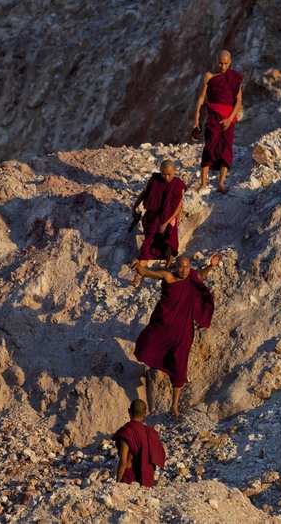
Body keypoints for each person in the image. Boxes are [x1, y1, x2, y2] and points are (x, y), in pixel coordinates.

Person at [134, 254, 220, 416]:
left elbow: (201, 275)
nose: (184, 270)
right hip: (163, 327)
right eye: (181, 266)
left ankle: (174, 406)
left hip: (183, 332)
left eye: (187, 266)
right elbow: (146, 272)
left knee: (180, 368)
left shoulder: (192, 277)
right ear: (175, 266)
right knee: (144, 348)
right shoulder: (168, 276)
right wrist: (137, 266)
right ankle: (157, 367)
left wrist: (211, 266)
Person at [193, 50, 243, 194]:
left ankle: (221, 182)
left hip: (229, 118)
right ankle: (203, 183)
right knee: (209, 147)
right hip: (213, 117)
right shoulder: (209, 76)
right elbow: (202, 98)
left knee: (226, 149)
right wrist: (196, 117)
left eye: (226, 63)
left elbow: (238, 101)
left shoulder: (235, 78)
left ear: (230, 62)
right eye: (220, 63)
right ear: (217, 61)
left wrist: (230, 118)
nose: (223, 66)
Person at [131, 159, 186, 287]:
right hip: (152, 217)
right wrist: (135, 205)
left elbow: (178, 206)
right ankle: (139, 274)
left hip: (168, 218)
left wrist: (165, 223)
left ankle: (168, 263)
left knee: (169, 243)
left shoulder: (178, 184)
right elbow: (145, 193)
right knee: (147, 245)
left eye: (169, 174)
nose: (166, 177)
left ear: (174, 172)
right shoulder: (155, 181)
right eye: (163, 174)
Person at [113, 399, 166, 487]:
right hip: (146, 478)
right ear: (145, 413)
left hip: (129, 478)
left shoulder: (127, 432)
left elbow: (123, 461)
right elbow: (159, 455)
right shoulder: (150, 432)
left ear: (129, 411)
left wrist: (118, 483)